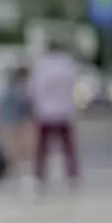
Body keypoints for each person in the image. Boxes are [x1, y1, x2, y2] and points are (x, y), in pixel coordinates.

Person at [29, 43, 80, 190]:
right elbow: (72, 85)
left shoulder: (41, 66)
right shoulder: (66, 65)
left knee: (43, 148)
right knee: (67, 147)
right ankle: (72, 174)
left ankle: (39, 175)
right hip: (63, 110)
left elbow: (34, 88)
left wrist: (35, 108)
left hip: (46, 112)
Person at [0, 64, 36, 198]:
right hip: (14, 124)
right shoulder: (16, 89)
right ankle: (19, 178)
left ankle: (25, 180)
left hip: (18, 124)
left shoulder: (17, 89)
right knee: (15, 154)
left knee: (22, 154)